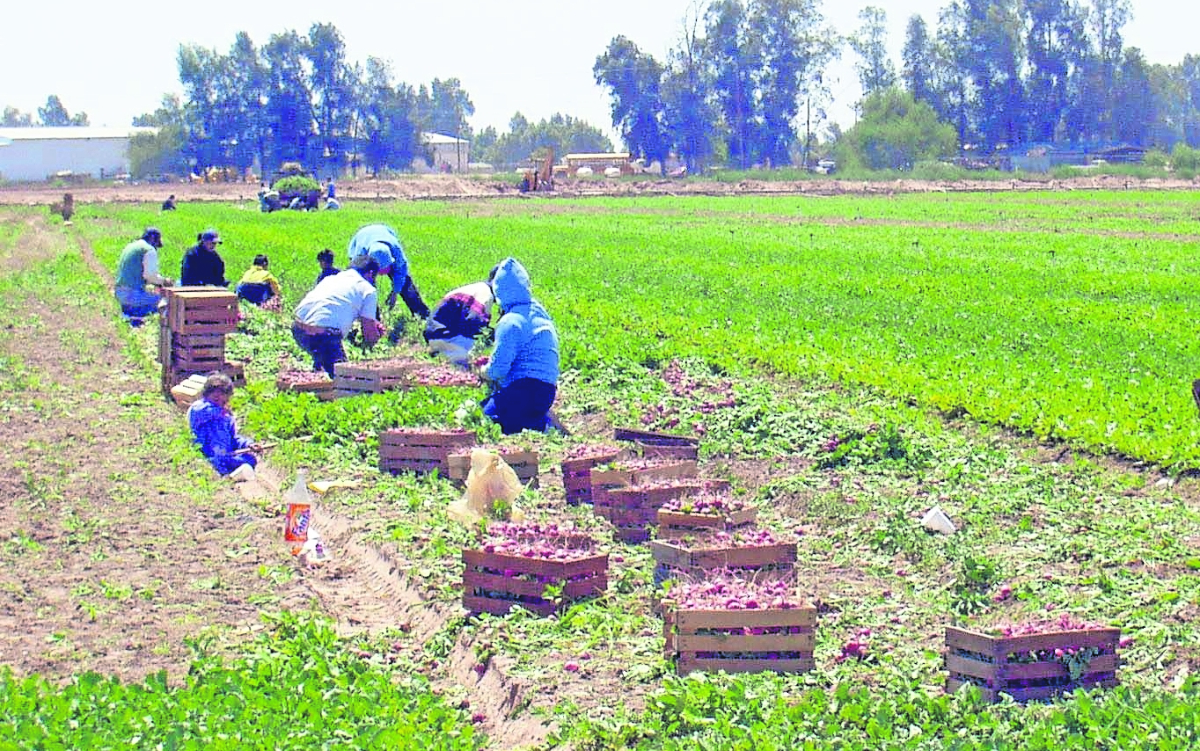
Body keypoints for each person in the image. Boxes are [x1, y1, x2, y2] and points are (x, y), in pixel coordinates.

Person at [480, 258, 559, 434]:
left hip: (523, 389)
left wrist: (483, 371)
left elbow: (498, 370)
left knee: (486, 416)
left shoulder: (511, 322)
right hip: (547, 391)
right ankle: (537, 421)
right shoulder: (540, 313)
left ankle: (536, 425)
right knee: (521, 413)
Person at [292, 256, 385, 376]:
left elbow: (335, 306)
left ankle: (320, 370)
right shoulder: (368, 289)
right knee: (343, 378)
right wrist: (376, 336)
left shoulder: (330, 279)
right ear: (371, 274)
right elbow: (369, 335)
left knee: (322, 357)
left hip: (298, 328)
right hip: (324, 334)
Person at [346, 224, 431, 334]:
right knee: (365, 289)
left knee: (406, 285)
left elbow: (401, 273)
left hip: (384, 232)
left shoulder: (396, 251)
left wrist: (395, 292)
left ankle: (423, 315)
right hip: (361, 240)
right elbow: (360, 285)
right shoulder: (360, 256)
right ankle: (373, 322)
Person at [188, 372, 261, 477]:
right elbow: (206, 411)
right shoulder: (199, 409)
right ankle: (224, 475)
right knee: (215, 464)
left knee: (250, 459)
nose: (219, 404)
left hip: (226, 456)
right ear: (206, 395)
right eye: (216, 399)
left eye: (223, 402)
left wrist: (247, 444)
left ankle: (232, 475)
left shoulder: (226, 418)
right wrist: (220, 411)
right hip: (208, 456)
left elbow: (234, 438)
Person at [424, 269, 497, 368]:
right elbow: (471, 322)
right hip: (445, 335)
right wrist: (489, 336)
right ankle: (451, 357)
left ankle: (437, 350)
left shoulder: (478, 287)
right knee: (478, 356)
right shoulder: (486, 294)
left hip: (435, 332)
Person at [114, 227, 173, 321]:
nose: (156, 248)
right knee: (168, 301)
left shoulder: (131, 246)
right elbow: (150, 276)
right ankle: (137, 314)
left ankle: (129, 311)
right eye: (156, 245)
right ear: (153, 239)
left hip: (120, 293)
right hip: (132, 294)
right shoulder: (148, 249)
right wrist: (164, 281)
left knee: (151, 295)